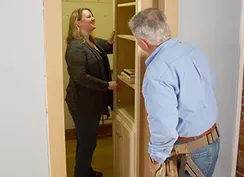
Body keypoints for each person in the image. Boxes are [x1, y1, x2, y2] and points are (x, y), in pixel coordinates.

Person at [128, 8, 220, 177]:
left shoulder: (157, 73)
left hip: (192, 152)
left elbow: (163, 125)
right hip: (212, 141)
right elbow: (210, 87)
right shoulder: (194, 51)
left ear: (143, 43)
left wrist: (156, 158)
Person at [65, 8, 119, 177]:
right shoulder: (75, 47)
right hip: (82, 104)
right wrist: (107, 85)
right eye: (88, 16)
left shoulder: (91, 42)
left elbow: (109, 47)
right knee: (87, 142)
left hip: (91, 102)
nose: (93, 18)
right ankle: (82, 173)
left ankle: (83, 171)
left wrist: (117, 32)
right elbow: (80, 77)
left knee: (87, 141)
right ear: (78, 22)